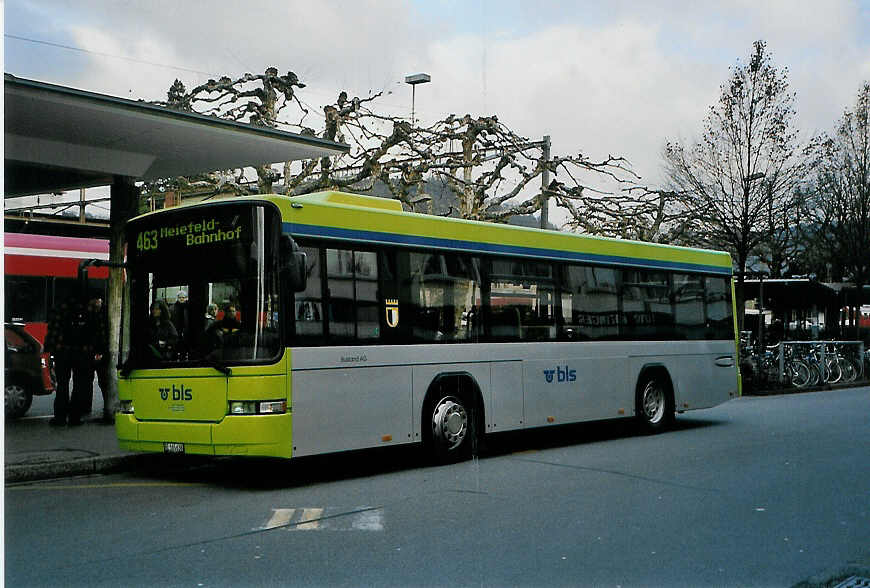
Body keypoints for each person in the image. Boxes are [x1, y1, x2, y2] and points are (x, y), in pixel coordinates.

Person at [43, 296, 100, 426]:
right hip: (81, 353)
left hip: (62, 353)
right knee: (78, 385)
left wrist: (50, 349)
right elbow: (95, 332)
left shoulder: (60, 309)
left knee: (62, 384)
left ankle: (60, 417)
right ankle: (75, 417)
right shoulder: (88, 310)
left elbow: (53, 332)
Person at [82, 296, 111, 423]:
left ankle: (102, 407)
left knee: (101, 381)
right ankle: (94, 407)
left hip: (98, 351)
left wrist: (100, 352)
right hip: (96, 351)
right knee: (97, 380)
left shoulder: (96, 314)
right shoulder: (102, 313)